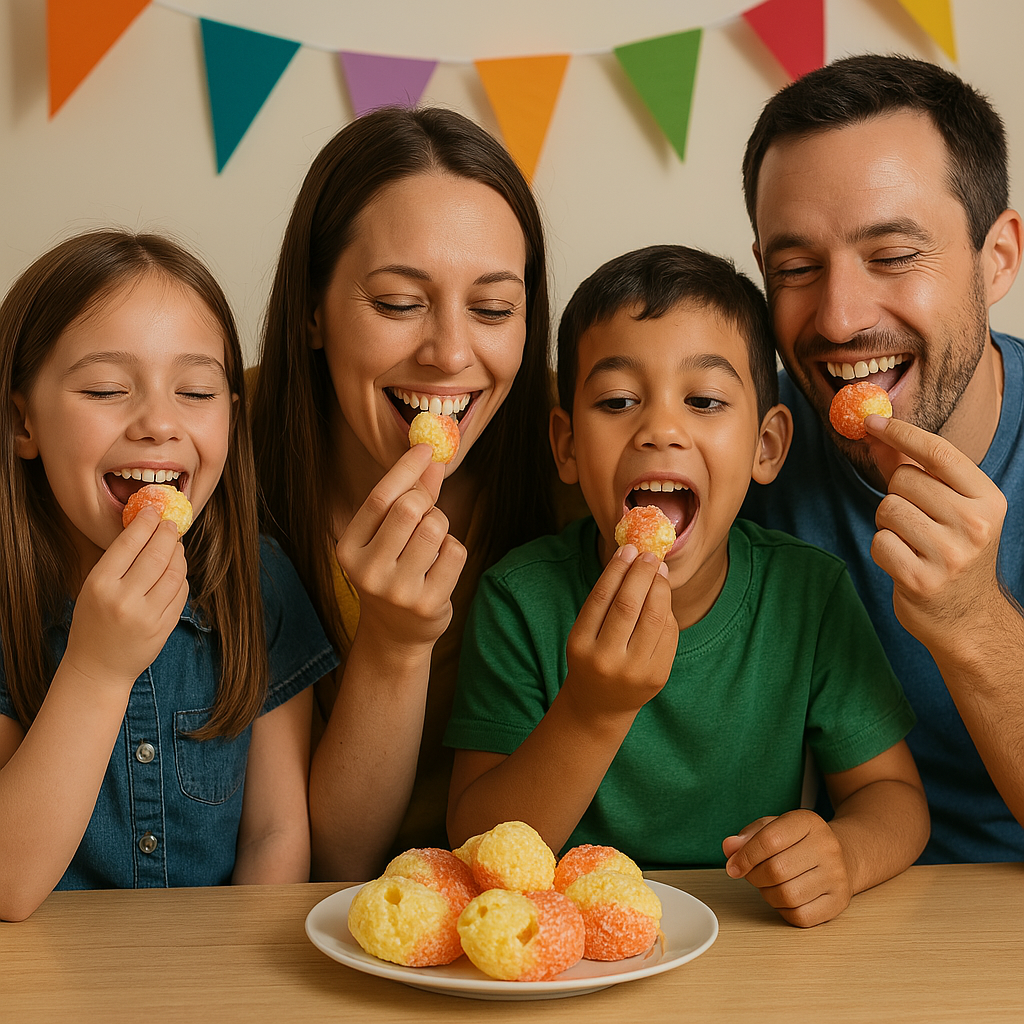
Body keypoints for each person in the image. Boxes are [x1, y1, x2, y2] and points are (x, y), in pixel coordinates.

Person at [445, 245, 929, 927]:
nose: (661, 430)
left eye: (704, 400)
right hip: (571, 950)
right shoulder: (521, 599)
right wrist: (593, 711)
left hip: (751, 938)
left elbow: (894, 796)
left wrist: (844, 855)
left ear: (766, 447)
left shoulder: (808, 595)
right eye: (617, 401)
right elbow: (474, 850)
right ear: (567, 446)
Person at [249, 107, 558, 880]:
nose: (451, 352)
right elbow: (335, 862)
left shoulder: (586, 454)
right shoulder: (213, 450)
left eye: (492, 309)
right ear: (313, 311)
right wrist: (393, 642)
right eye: (398, 303)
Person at [0, 230, 337, 921]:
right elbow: (7, 883)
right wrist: (97, 666)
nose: (159, 422)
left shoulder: (260, 581)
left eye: (196, 390)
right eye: (105, 389)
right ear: (22, 422)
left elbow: (276, 834)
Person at [739, 54, 1024, 863]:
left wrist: (972, 619)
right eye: (796, 270)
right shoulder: (745, 449)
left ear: (996, 257)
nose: (837, 317)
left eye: (894, 256)